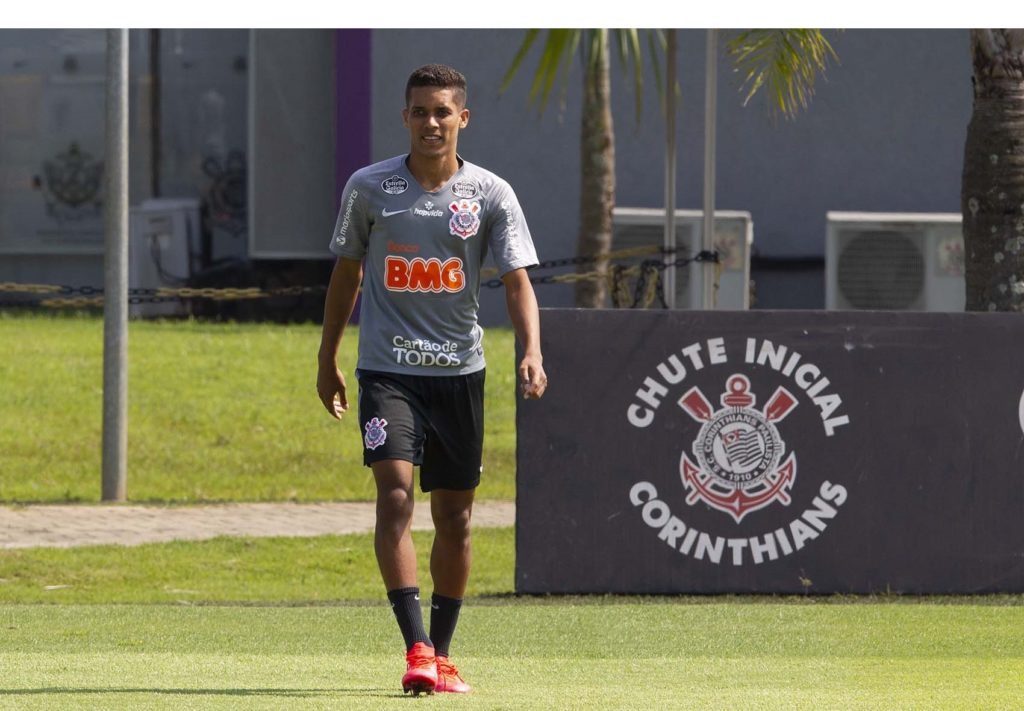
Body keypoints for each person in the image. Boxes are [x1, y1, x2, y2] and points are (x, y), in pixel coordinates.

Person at [316, 63, 547, 695]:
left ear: (462, 119)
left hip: (459, 377)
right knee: (395, 497)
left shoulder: (492, 194)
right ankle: (415, 645)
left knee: (457, 519)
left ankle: (441, 655)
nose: (431, 122)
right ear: (405, 118)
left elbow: (518, 281)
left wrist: (531, 351)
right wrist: (327, 355)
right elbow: (347, 276)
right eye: (420, 111)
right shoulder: (370, 188)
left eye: (443, 111)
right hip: (387, 373)